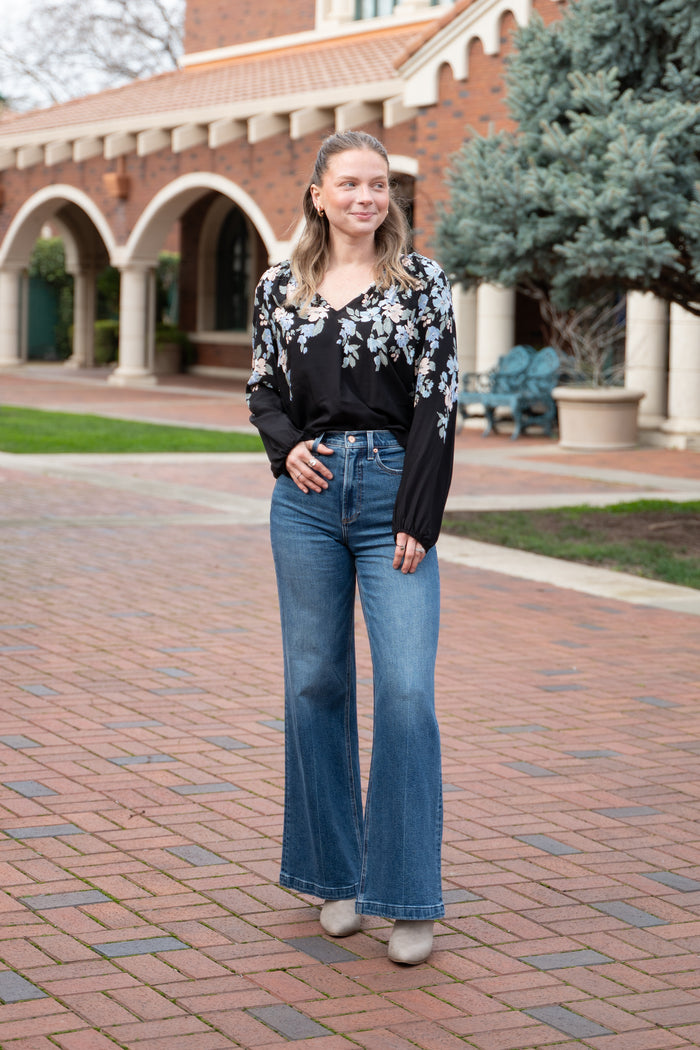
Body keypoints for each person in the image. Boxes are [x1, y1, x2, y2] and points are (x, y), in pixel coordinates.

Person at [246, 130, 458, 965]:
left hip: (389, 496)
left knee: (405, 689)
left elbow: (440, 400)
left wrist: (417, 514)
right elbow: (263, 386)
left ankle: (407, 895)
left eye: (379, 186)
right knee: (315, 682)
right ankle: (334, 876)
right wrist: (284, 445)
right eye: (350, 184)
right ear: (318, 194)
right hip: (303, 501)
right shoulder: (277, 285)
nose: (366, 198)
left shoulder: (420, 283)